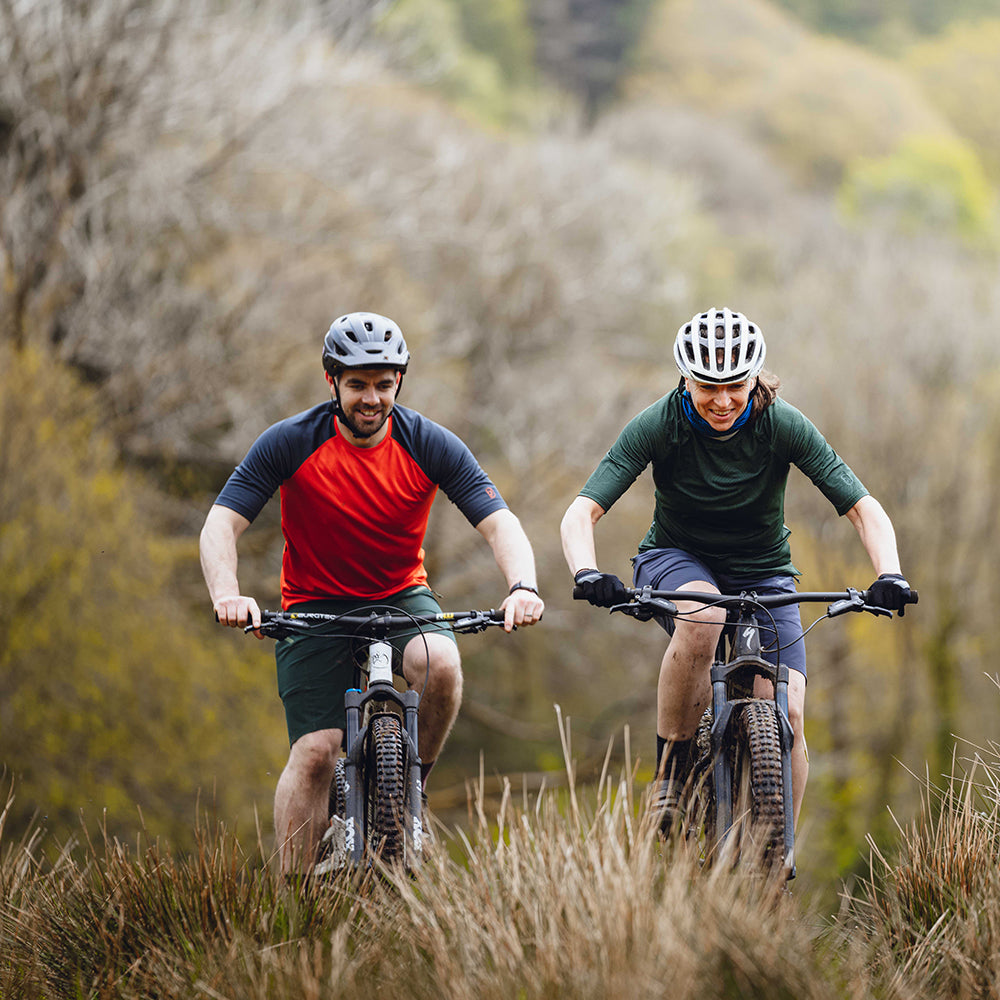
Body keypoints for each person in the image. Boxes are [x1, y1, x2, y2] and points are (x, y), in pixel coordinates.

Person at [200, 311, 544, 873]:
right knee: (315, 753)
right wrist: (227, 594)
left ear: (399, 383)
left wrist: (522, 586)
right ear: (332, 380)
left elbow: (499, 523)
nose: (371, 398)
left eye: (384, 384)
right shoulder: (290, 442)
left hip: (399, 594)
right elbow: (221, 525)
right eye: (358, 384)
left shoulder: (430, 443)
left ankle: (411, 792)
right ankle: (293, 898)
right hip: (314, 604)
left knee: (443, 667)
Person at [560, 307, 913, 830]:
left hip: (765, 573)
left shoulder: (781, 424)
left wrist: (890, 574)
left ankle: (776, 862)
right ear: (685, 378)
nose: (723, 401)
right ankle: (672, 775)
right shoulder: (660, 424)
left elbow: (862, 506)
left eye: (736, 387)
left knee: (789, 711)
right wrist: (587, 572)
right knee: (704, 617)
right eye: (707, 386)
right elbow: (581, 511)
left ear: (753, 381)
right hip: (676, 560)